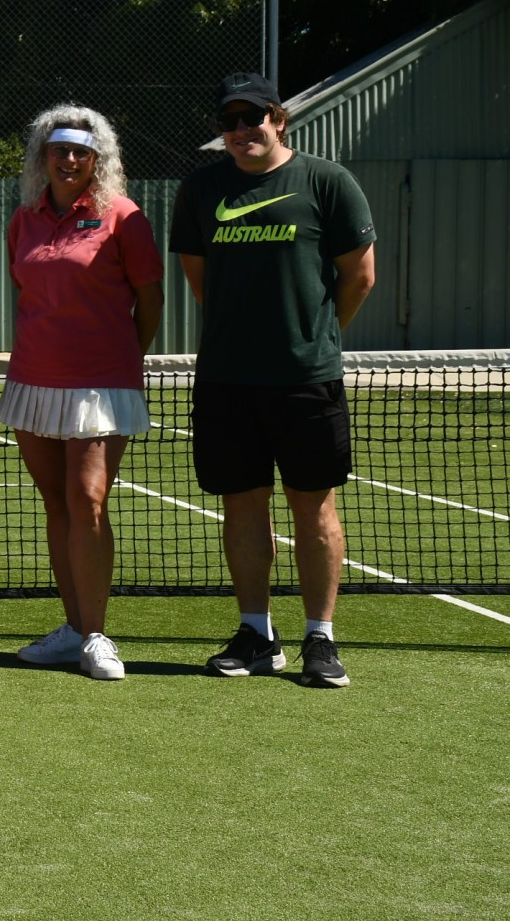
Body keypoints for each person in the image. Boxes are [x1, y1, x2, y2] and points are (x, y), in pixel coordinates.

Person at [170, 72, 377, 688]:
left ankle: (321, 637)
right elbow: (199, 280)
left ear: (278, 119)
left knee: (314, 511)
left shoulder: (327, 182)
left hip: (307, 382)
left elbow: (358, 276)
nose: (239, 131)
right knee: (242, 509)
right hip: (228, 382)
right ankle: (257, 633)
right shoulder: (202, 189)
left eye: (251, 118)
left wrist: (312, 339)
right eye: (228, 121)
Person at [2, 106, 163, 681]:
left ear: (99, 159)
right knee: (57, 505)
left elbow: (151, 302)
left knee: (88, 500)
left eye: (81, 152)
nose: (69, 160)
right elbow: (27, 289)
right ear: (42, 156)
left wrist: (119, 359)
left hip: (101, 384)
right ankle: (73, 628)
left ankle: (97, 636)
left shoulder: (124, 217)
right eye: (59, 150)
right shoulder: (23, 219)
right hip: (34, 380)